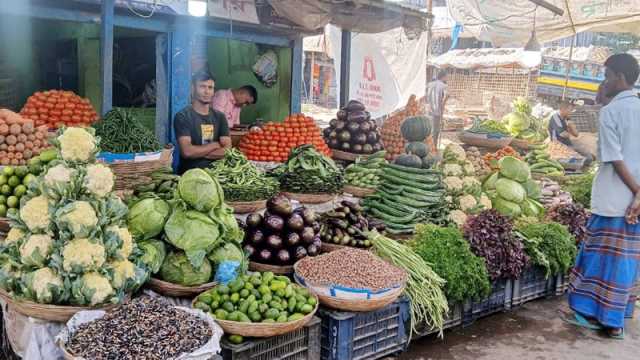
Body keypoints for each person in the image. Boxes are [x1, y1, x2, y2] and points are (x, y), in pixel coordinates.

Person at [567, 53, 640, 340]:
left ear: (620, 78)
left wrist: (635, 192)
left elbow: (613, 157)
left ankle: (599, 318)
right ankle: (616, 319)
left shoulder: (612, 112)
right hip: (635, 203)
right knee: (626, 260)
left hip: (614, 199)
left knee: (600, 258)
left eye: (607, 75)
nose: (604, 81)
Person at [174, 70, 231, 174]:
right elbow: (187, 152)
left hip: (216, 174)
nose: (207, 91)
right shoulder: (183, 116)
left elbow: (227, 150)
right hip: (189, 175)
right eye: (202, 86)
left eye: (210, 88)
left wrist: (198, 152)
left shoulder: (220, 117)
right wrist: (214, 145)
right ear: (193, 88)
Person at [548, 100, 594, 165]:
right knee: (587, 158)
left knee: (588, 155)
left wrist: (571, 127)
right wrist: (570, 131)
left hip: (568, 144)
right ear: (563, 109)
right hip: (558, 146)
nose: (571, 112)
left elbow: (576, 134)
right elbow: (563, 134)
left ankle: (584, 163)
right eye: (569, 110)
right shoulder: (555, 118)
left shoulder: (566, 118)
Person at [426, 70, 448, 149]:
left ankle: (428, 145)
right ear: (444, 76)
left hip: (428, 110)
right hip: (437, 110)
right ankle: (433, 146)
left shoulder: (430, 84)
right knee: (436, 130)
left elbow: (425, 95)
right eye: (446, 77)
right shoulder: (443, 85)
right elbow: (448, 95)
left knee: (429, 128)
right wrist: (443, 104)